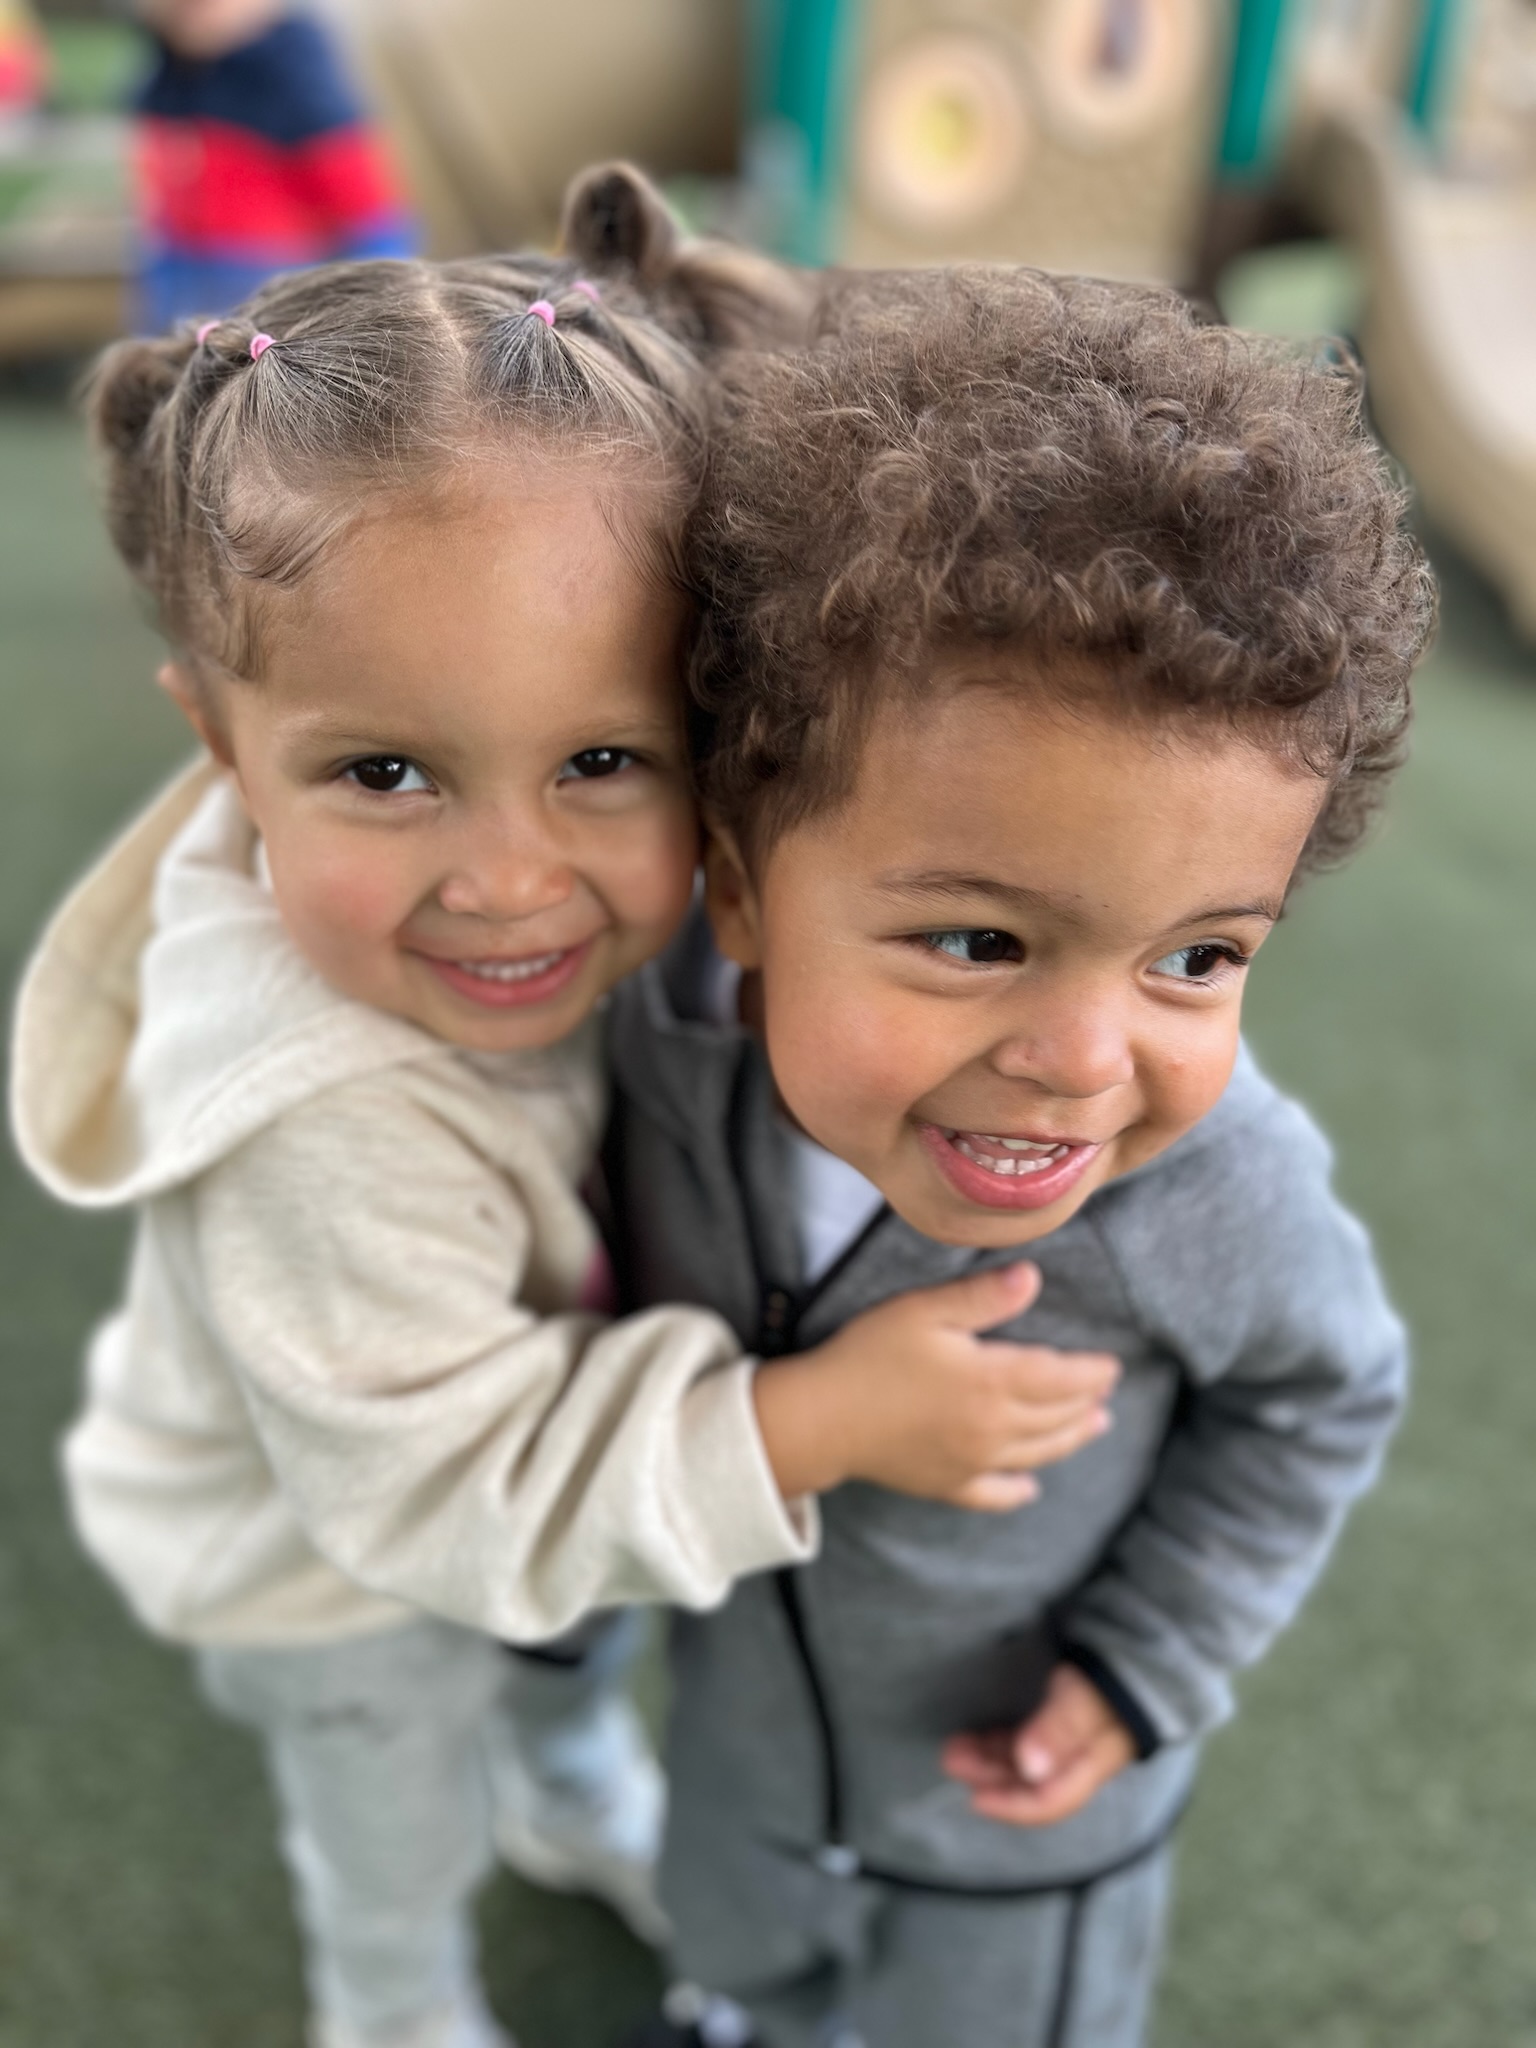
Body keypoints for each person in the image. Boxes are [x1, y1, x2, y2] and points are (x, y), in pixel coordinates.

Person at [9, 174, 1118, 2048]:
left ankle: (568, 1778)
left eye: (605, 760)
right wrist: (816, 1418)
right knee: (389, 1827)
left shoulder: (523, 912)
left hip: (542, 1428)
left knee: (563, 1650)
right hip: (329, 1565)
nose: (513, 880)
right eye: (386, 772)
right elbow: (443, 1483)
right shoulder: (320, 1116)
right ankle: (396, 2004)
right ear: (219, 744)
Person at [608, 267, 1434, 2048]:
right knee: (739, 1946)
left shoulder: (1210, 1188)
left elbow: (1321, 1393)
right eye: (979, 941)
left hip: (1011, 1822)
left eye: (1198, 955)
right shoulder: (664, 1046)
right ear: (742, 890)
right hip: (745, 1750)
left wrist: (1146, 1666)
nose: (1083, 1060)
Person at [131, 0, 416, 330]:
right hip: (192, 325)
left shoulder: (300, 85)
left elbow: (376, 229)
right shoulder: (159, 87)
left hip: (284, 336)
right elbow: (164, 234)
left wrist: (383, 333)